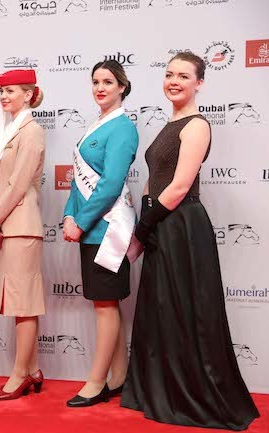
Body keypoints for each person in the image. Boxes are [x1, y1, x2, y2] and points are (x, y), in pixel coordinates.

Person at [121, 52, 259, 430]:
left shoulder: (196, 125)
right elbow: (155, 181)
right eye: (169, 74)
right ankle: (159, 390)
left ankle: (191, 396)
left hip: (180, 225)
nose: (174, 81)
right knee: (162, 310)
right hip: (161, 222)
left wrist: (143, 228)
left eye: (184, 76)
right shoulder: (170, 124)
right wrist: (142, 226)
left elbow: (180, 186)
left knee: (184, 311)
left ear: (200, 83)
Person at [62, 60, 138, 407]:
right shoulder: (96, 125)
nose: (100, 88)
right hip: (90, 228)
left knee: (106, 306)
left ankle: (96, 382)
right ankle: (119, 376)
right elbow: (78, 183)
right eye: (95, 81)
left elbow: (109, 185)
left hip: (108, 230)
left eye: (108, 82)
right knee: (106, 304)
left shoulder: (123, 127)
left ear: (122, 87)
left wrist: (80, 222)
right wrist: (69, 214)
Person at [0, 69, 46, 401]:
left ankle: (20, 374)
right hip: (10, 226)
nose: (4, 96)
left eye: (11, 91)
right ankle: (32, 369)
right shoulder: (9, 130)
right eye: (2, 91)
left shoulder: (31, 131)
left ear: (28, 94)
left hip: (21, 225)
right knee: (20, 302)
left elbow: (19, 184)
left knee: (24, 303)